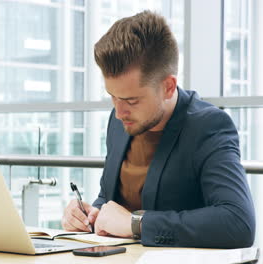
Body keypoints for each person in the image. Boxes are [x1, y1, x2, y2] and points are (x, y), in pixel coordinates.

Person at [61, 10, 255, 248]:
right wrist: (90, 214)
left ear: (168, 87)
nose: (119, 112)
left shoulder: (208, 126)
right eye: (113, 97)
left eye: (132, 101)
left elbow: (238, 223)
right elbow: (110, 198)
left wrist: (136, 224)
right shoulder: (120, 120)